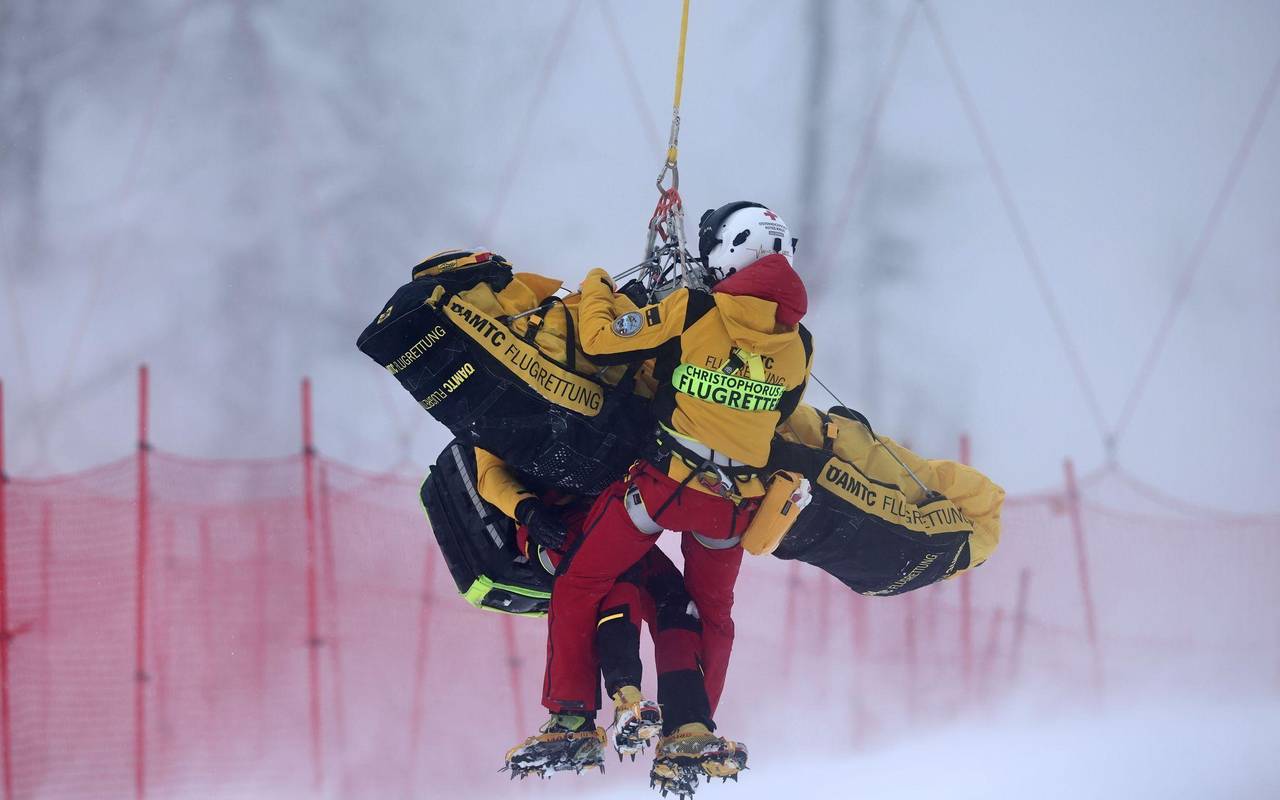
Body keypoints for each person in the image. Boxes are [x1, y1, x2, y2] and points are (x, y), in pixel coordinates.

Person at [513, 202, 815, 789]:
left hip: (663, 488)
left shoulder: (693, 307)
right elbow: (778, 413)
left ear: (727, 252)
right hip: (735, 504)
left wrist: (600, 281)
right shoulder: (798, 342)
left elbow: (601, 339)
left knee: (580, 580)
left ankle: (572, 718)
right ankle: (692, 730)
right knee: (710, 613)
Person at [475, 448, 708, 780]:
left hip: (613, 518)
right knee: (616, 574)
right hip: (553, 528)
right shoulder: (495, 401)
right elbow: (488, 472)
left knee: (673, 599)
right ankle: (582, 714)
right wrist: (527, 510)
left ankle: (687, 722)